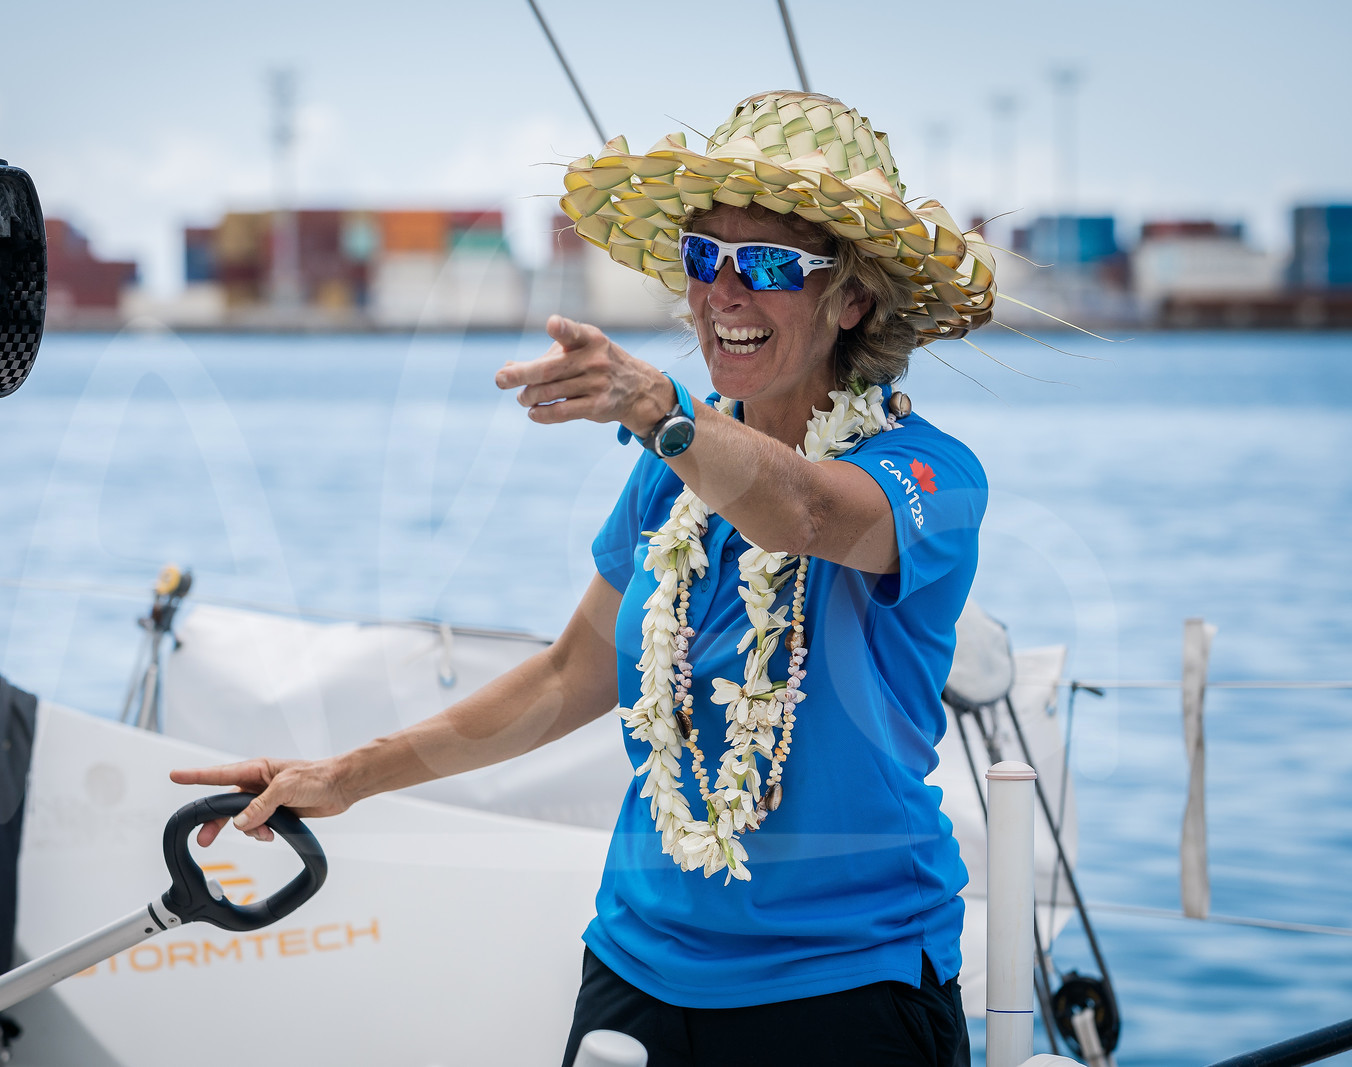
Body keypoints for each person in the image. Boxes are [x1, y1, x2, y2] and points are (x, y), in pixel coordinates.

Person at [172, 91, 997, 1066]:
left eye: (771, 264)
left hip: (848, 984)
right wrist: (345, 777)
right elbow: (571, 674)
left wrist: (659, 408)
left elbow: (805, 514)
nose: (725, 293)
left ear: (850, 301)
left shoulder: (930, 476)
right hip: (636, 964)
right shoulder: (670, 471)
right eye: (704, 258)